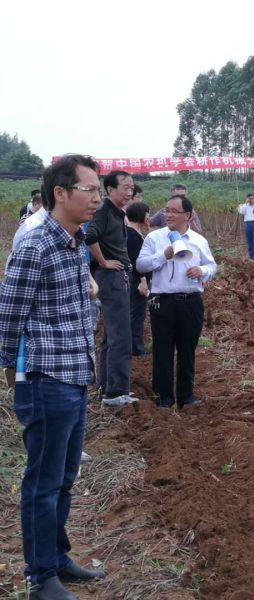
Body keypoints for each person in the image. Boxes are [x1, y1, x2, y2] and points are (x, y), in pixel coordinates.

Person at [0, 154, 107, 600]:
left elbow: (77, 300)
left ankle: (58, 556)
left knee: (64, 477)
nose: (96, 199)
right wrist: (11, 369)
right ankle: (39, 574)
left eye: (99, 191)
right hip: (45, 378)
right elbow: (9, 313)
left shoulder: (76, 241)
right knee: (42, 481)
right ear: (60, 193)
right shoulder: (36, 244)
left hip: (75, 372)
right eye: (90, 191)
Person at [136, 195, 217, 409]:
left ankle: (186, 395)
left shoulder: (199, 240)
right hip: (162, 302)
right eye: (166, 210)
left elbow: (212, 266)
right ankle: (164, 396)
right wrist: (163, 256)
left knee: (187, 349)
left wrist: (202, 271)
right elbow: (141, 265)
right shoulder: (155, 238)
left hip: (190, 302)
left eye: (174, 211)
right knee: (162, 349)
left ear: (187, 216)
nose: (168, 214)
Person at [86, 170, 136, 407]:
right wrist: (104, 262)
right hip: (111, 278)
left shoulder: (117, 213)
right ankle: (116, 392)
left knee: (111, 335)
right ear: (110, 190)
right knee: (121, 335)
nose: (129, 192)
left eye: (131, 187)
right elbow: (89, 235)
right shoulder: (104, 211)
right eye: (125, 187)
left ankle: (106, 387)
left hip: (115, 277)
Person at [126, 202, 151, 357]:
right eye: (147, 214)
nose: (149, 217)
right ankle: (136, 347)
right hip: (137, 281)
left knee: (136, 312)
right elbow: (135, 261)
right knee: (137, 313)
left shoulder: (133, 233)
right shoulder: (133, 236)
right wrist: (143, 281)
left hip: (135, 280)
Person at [238, 193, 254, 260]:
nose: (251, 200)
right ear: (247, 199)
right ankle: (251, 256)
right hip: (247, 224)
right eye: (249, 199)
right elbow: (241, 212)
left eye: (252, 198)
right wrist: (245, 204)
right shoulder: (245, 206)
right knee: (249, 241)